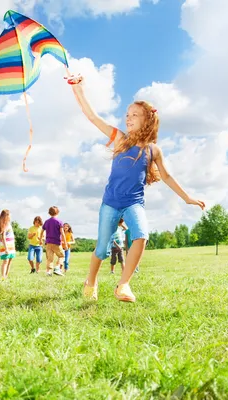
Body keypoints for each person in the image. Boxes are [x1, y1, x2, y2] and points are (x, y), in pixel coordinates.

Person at [68, 75, 205, 302]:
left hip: (134, 203)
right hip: (110, 203)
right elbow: (92, 116)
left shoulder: (154, 151)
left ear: (148, 121)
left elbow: (168, 176)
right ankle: (91, 281)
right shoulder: (120, 139)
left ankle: (123, 285)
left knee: (141, 235)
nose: (129, 119)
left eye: (135, 115)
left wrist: (187, 198)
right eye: (127, 115)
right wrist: (79, 90)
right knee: (102, 249)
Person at [39, 206, 67, 276]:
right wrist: (65, 244)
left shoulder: (46, 221)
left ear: (49, 213)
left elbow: (42, 231)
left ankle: (48, 272)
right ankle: (57, 268)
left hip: (48, 242)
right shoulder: (59, 222)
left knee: (50, 258)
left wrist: (40, 240)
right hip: (56, 242)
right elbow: (62, 233)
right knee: (62, 256)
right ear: (57, 212)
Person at [0, 209, 15, 280]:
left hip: (11, 244)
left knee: (9, 261)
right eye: (9, 215)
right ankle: (3, 276)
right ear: (6, 216)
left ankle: (6, 276)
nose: (10, 216)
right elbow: (3, 237)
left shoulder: (9, 224)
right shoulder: (4, 225)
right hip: (6, 245)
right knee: (6, 261)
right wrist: (6, 248)